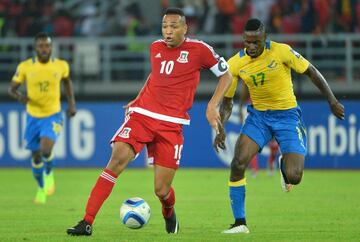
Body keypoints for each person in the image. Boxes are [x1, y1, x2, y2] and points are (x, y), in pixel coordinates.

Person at [67, 7, 232, 236]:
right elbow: (155, 75)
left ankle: (168, 211)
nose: (168, 31)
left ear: (185, 28)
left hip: (171, 125)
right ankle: (86, 221)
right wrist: (139, 96)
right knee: (116, 160)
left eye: (174, 26)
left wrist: (212, 105)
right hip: (142, 116)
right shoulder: (155, 47)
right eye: (165, 26)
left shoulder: (200, 50)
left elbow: (227, 75)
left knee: (162, 190)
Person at [213, 18, 345, 234]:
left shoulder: (281, 51)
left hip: (288, 116)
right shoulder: (235, 63)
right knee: (237, 163)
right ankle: (240, 222)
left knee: (295, 176)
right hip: (259, 118)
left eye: (256, 42)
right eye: (247, 42)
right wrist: (221, 128)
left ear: (265, 37)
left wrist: (332, 101)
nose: (251, 47)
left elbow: (311, 71)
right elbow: (227, 101)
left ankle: (285, 165)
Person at [8, 32, 76, 204]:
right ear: (35, 48)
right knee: (36, 156)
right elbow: (12, 89)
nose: (44, 49)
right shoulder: (25, 67)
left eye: (47, 45)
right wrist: (20, 97)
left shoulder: (61, 65)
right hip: (33, 116)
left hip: (53, 114)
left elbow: (67, 82)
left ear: (51, 47)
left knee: (46, 150)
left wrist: (72, 104)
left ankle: (49, 173)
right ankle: (40, 189)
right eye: (41, 46)